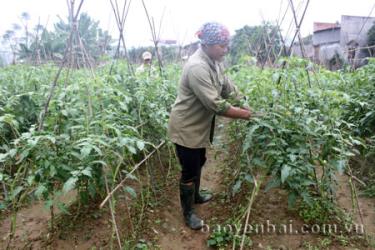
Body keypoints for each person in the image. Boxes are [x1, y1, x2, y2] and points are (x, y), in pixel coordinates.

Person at [168, 22, 252, 230]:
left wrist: (244, 102)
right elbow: (216, 104)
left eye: (226, 45)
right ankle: (188, 213)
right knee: (189, 170)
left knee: (200, 160)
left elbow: (227, 87)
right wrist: (246, 115)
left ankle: (195, 195)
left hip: (200, 125)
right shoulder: (197, 67)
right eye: (221, 46)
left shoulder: (215, 61)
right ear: (207, 44)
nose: (226, 49)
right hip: (186, 127)